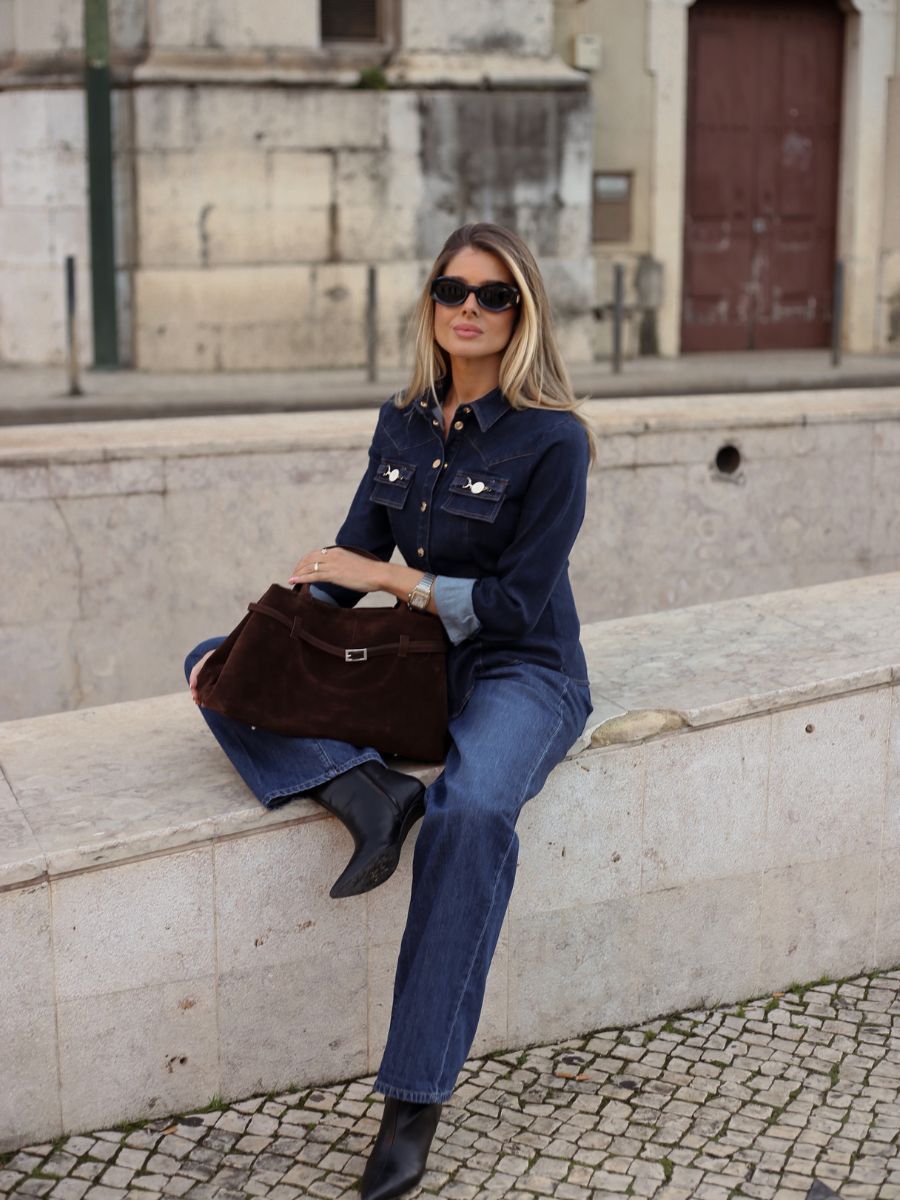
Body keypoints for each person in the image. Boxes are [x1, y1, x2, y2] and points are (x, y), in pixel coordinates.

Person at [185, 221, 595, 1200]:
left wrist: (392, 582)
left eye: (493, 295)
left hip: (523, 670)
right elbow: (348, 558)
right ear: (430, 302)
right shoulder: (402, 421)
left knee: (471, 812)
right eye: (452, 290)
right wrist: (269, 635)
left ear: (523, 312)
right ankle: (364, 792)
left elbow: (513, 605)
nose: (469, 309)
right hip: (419, 665)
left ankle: (411, 1108)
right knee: (215, 668)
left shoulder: (554, 439)